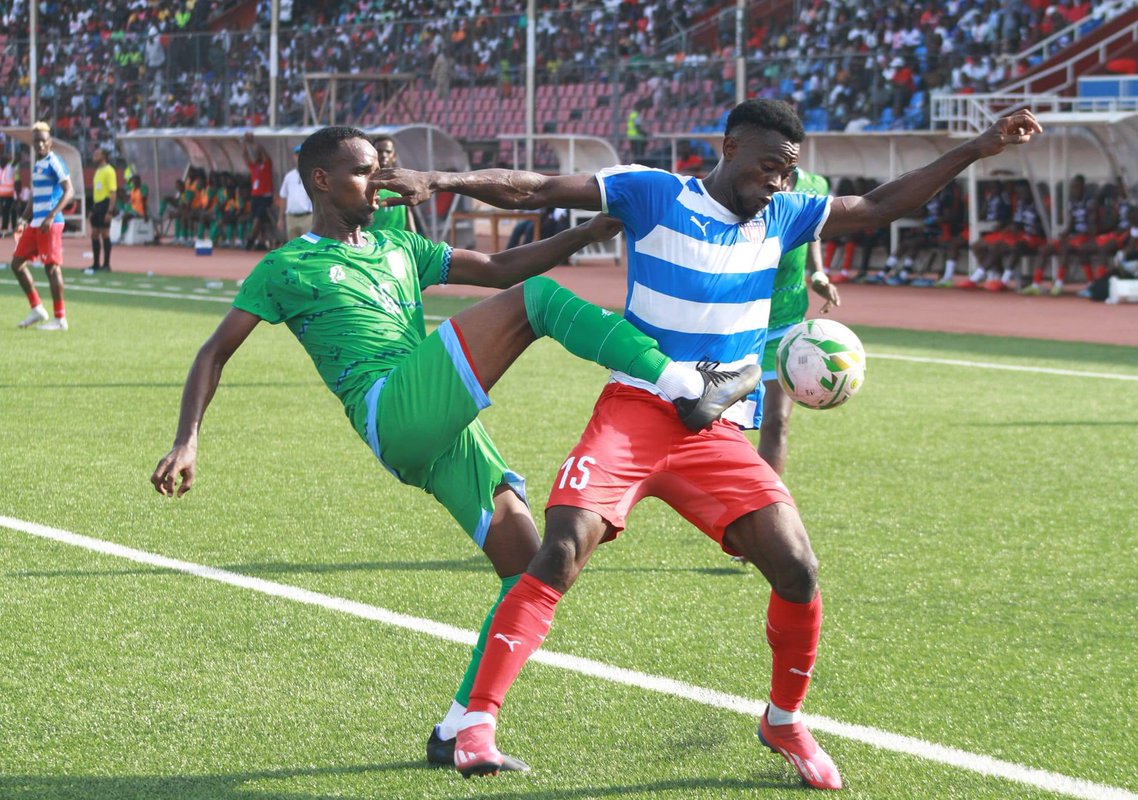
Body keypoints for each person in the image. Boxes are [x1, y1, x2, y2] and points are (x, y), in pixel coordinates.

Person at [370, 99, 1042, 787]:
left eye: (788, 171)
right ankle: (474, 721)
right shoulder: (653, 191)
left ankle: (783, 719)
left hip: (714, 427)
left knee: (798, 568)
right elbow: (538, 187)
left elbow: (874, 207)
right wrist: (442, 181)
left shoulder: (787, 214)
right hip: (636, 407)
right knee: (563, 546)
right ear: (728, 147)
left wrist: (975, 148)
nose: (777, 183)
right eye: (767, 166)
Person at [149, 125, 758, 772]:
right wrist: (187, 439)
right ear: (320, 181)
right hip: (394, 408)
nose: (378, 183)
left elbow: (497, 266)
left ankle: (460, 728)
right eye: (362, 171)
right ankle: (686, 384)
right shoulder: (286, 266)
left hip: (439, 429)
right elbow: (214, 351)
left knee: (530, 567)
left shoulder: (397, 246)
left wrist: (583, 234)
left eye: (381, 169)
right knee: (537, 303)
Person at [758, 165, 838, 475]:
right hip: (734, 320)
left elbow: (812, 227)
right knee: (720, 424)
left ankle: (767, 504)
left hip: (785, 321)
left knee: (776, 421)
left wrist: (817, 273)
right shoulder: (741, 181)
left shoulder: (814, 184)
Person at [10, 122, 75, 331]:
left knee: (52, 268)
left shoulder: (54, 161)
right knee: (17, 263)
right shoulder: (37, 165)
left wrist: (51, 215)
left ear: (50, 143)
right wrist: (22, 220)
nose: (39, 144)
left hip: (50, 224)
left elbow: (69, 191)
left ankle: (60, 319)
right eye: (36, 141)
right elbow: (34, 199)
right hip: (36, 223)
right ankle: (37, 308)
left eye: (43, 141)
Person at [367, 136, 414, 235]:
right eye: (379, 151)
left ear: (394, 156)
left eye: (388, 151)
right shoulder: (365, 184)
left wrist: (416, 241)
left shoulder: (403, 184)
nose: (384, 155)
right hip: (371, 245)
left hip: (396, 245)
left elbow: (408, 213)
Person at [241, 131, 276, 250]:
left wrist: (253, 142)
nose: (255, 155)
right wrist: (245, 144)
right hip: (255, 197)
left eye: (257, 154)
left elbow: (263, 152)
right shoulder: (253, 167)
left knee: (258, 220)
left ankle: (250, 241)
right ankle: (260, 241)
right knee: (258, 220)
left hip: (265, 197)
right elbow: (245, 157)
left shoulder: (266, 165)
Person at [87, 146, 118, 273]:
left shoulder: (109, 171)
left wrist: (110, 211)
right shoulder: (98, 170)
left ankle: (106, 265)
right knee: (94, 234)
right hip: (97, 204)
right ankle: (95, 264)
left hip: (104, 204)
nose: (94, 156)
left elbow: (113, 192)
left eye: (97, 154)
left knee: (105, 233)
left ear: (103, 156)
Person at [277, 144, 312, 240]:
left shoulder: (311, 174)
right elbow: (283, 197)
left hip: (307, 216)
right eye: (297, 155)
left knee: (308, 246)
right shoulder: (289, 176)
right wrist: (281, 218)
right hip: (291, 217)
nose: (299, 158)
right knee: (292, 248)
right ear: (294, 157)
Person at [0, 152, 16, 234]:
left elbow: (15, 161)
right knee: (5, 211)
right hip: (2, 195)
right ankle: (5, 228)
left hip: (10, 195)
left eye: (3, 160)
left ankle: (6, 228)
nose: (1, 161)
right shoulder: (0, 169)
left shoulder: (10, 167)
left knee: (11, 211)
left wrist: (11, 158)